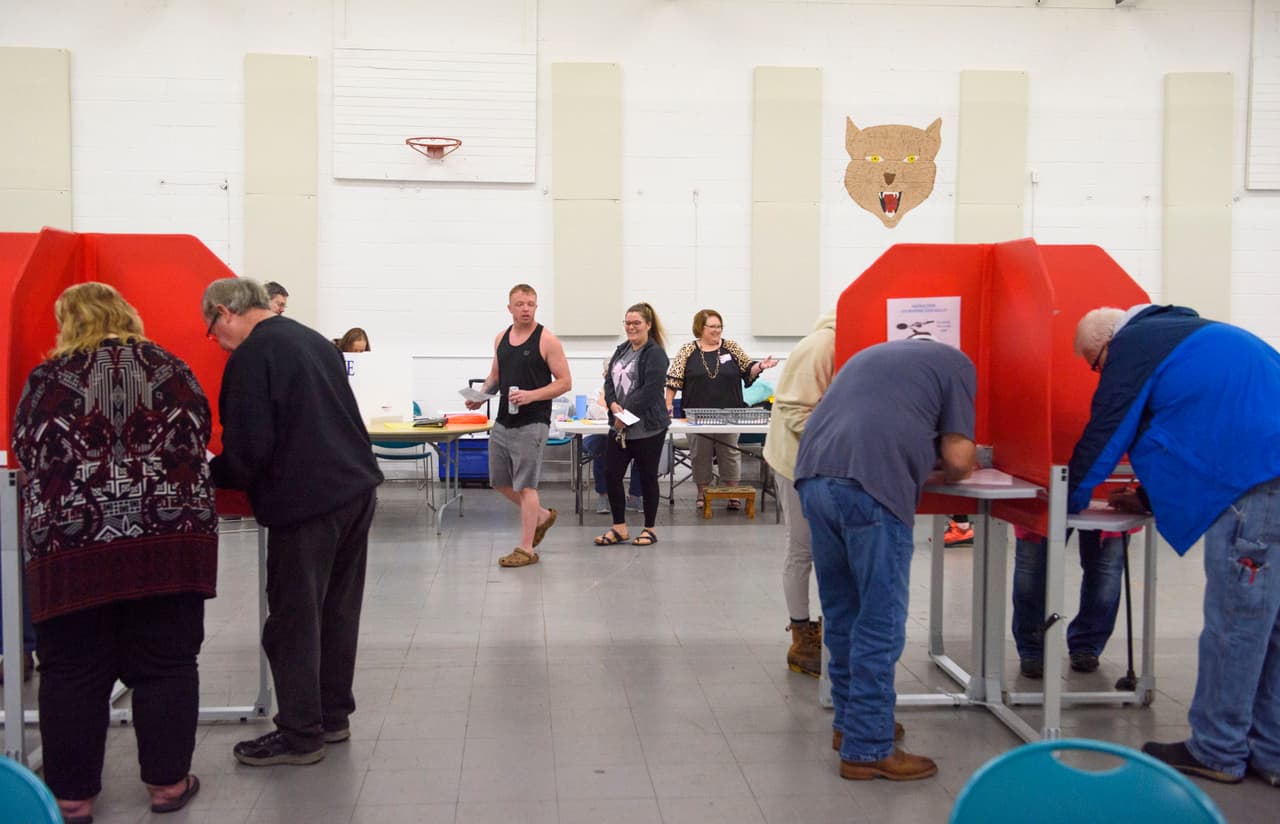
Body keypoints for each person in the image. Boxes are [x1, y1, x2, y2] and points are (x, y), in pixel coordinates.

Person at [12, 282, 216, 821]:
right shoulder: (172, 370)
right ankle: (168, 787)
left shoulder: (47, 380)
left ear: (67, 321)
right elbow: (200, 439)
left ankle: (73, 798)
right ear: (127, 313)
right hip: (166, 547)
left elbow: (24, 452)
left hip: (71, 552)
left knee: (71, 672)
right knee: (167, 664)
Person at [1069, 304, 1280, 787]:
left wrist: (1064, 502)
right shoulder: (1193, 335)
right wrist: (1146, 495)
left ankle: (1217, 749)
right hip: (1270, 473)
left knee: (1236, 622)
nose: (1098, 374)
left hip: (1254, 484)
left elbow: (1107, 431)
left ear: (1107, 345)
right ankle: (1271, 751)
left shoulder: (1134, 347)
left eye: (1093, 364)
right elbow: (1204, 421)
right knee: (1272, 626)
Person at [203, 277, 383, 767]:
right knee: (337, 612)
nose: (215, 341)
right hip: (355, 490)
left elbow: (249, 448)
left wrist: (206, 474)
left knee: (293, 620)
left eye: (211, 329)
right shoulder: (313, 340)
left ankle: (300, 734)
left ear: (226, 311)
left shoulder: (251, 357)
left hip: (305, 502)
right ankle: (331, 717)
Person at [796, 338, 976, 782]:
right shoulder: (958, 365)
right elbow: (959, 460)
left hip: (814, 477)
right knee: (880, 619)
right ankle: (868, 748)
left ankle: (851, 725)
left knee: (842, 613)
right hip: (871, 486)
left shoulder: (868, 356)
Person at [466, 284, 571, 568]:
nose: (526, 308)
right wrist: (481, 396)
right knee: (500, 482)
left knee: (526, 485)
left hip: (533, 421)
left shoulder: (547, 340)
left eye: (531, 304)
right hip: (504, 419)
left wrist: (531, 395)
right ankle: (542, 516)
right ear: (510, 308)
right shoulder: (501, 338)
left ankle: (526, 549)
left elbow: (564, 382)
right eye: (521, 304)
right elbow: (495, 376)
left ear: (536, 307)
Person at [763, 311, 835, 678]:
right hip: (797, 463)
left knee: (828, 551)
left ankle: (829, 630)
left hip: (826, 465)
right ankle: (802, 636)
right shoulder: (823, 345)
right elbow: (793, 410)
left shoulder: (848, 342)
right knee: (802, 548)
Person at [664, 309, 778, 510]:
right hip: (697, 415)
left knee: (730, 453)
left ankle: (733, 494)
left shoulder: (731, 347)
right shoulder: (687, 350)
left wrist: (761, 366)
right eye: (713, 327)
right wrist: (668, 404)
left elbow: (747, 369)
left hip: (730, 413)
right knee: (700, 454)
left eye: (720, 326)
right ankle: (702, 493)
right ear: (701, 328)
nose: (717, 331)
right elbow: (673, 379)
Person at [594, 303, 671, 547]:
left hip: (648, 428)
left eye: (636, 323)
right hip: (619, 426)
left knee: (647, 477)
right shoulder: (622, 349)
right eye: (627, 322)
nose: (631, 327)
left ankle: (649, 528)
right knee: (611, 473)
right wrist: (613, 405)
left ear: (648, 325)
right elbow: (609, 381)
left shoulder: (655, 353)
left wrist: (625, 413)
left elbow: (651, 391)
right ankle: (619, 527)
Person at [1011, 528, 1125, 679]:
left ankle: (1087, 645)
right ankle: (1032, 648)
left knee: (1105, 576)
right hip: (1041, 505)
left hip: (1107, 505)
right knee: (1031, 572)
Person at [584, 383, 642, 513]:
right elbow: (598, 415)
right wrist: (605, 393)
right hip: (596, 436)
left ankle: (635, 496)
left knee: (642, 449)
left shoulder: (631, 392)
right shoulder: (596, 392)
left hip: (625, 435)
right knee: (603, 446)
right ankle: (604, 495)